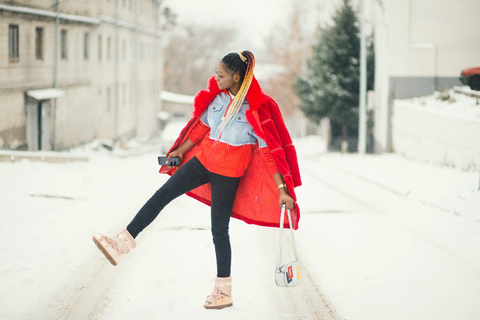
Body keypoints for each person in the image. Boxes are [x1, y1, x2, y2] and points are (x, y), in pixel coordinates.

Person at [93, 50, 302, 309]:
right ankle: (121, 244)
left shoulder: (255, 109)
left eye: (221, 74)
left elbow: (269, 152)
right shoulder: (218, 99)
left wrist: (282, 189)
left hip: (228, 174)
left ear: (236, 77)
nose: (215, 78)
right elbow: (202, 127)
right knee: (161, 196)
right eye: (216, 72)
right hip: (202, 162)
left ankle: (223, 290)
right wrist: (181, 150)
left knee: (218, 230)